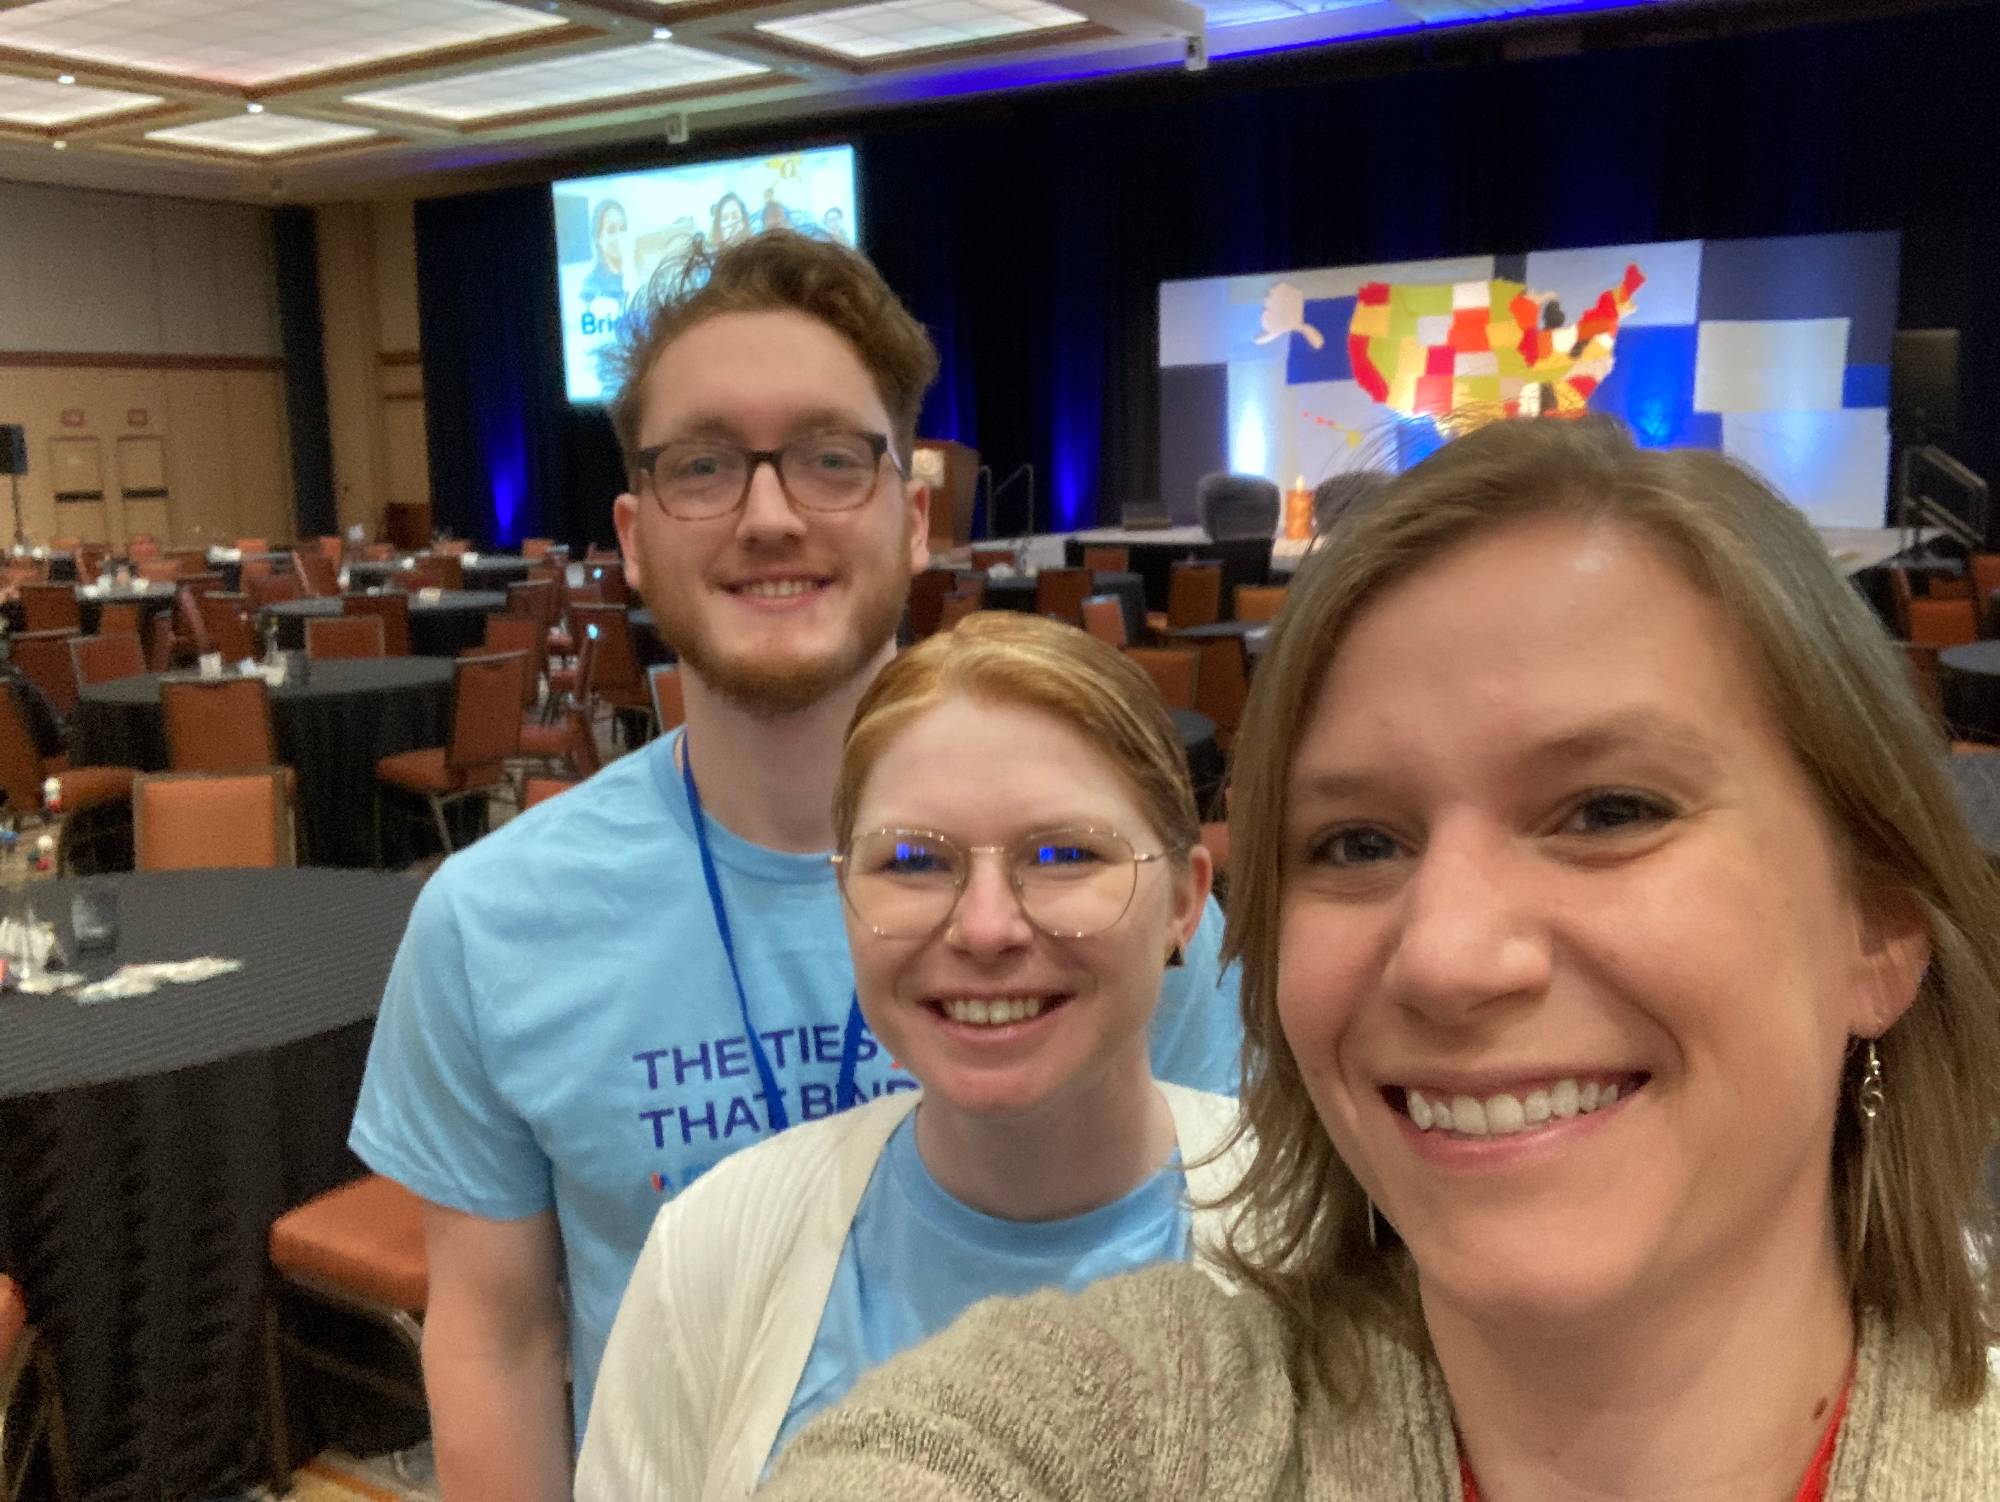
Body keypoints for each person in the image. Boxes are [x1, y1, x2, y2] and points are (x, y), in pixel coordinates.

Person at [760, 415, 2000, 1500]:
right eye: (1355, 841)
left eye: (1606, 810)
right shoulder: (1128, 1424)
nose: (1447, 957)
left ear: (1877, 925)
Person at [348, 231, 1243, 1501]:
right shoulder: (490, 921)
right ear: (634, 535)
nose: (768, 517)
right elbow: (500, 1340)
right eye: (703, 465)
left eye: (829, 457)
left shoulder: (1110, 903)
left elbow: (1229, 1249)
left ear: (912, 514)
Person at [575, 612, 1250, 1500]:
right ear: (844, 896)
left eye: (1063, 854)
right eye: (912, 863)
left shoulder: (1329, 1242)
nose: (985, 928)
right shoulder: (707, 1256)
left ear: (1184, 903)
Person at [581, 198, 629, 308]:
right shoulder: (591, 285)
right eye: (611, 230)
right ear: (598, 237)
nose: (619, 237)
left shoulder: (637, 275)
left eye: (622, 229)